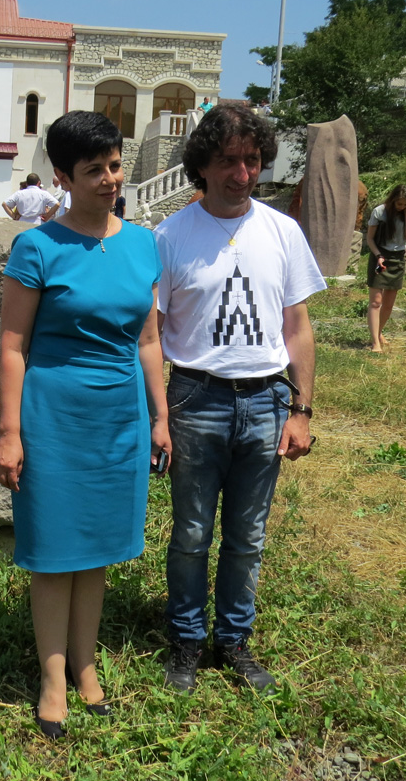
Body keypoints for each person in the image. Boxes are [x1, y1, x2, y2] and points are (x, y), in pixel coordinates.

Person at [0, 111, 170, 740]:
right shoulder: (37, 247)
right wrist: (10, 432)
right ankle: (52, 677)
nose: (110, 179)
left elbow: (148, 338)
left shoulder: (144, 243)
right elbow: (13, 346)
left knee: (96, 550)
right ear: (63, 178)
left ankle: (86, 665)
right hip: (53, 417)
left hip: (120, 416)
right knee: (54, 551)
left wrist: (160, 416)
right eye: (94, 170)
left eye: (115, 166)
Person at [154, 104, 324, 694]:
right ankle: (186, 638)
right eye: (229, 160)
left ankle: (233, 640)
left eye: (252, 160)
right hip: (195, 400)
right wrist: (157, 416)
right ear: (202, 164)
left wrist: (302, 410)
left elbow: (298, 327)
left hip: (267, 401)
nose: (243, 173)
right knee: (191, 533)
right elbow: (151, 335)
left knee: (248, 536)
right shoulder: (170, 237)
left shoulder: (283, 232)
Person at [365, 184, 406, 353]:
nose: (401, 207)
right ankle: (375, 342)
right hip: (379, 255)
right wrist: (379, 255)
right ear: (392, 200)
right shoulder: (379, 212)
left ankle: (379, 332)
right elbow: (370, 239)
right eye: (399, 203)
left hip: (397, 258)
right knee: (376, 302)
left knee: (388, 304)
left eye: (405, 204)